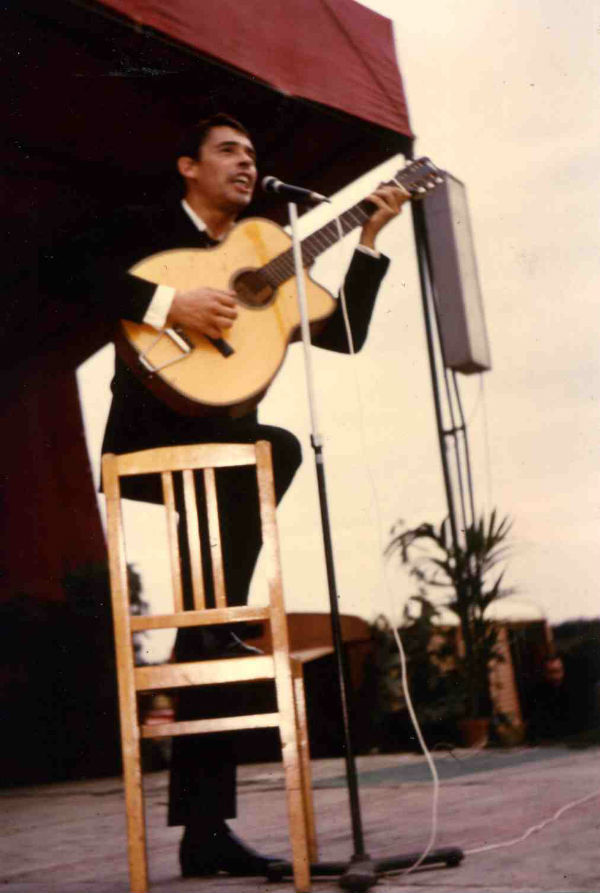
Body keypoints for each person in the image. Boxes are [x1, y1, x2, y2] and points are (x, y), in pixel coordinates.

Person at [55, 113, 409, 876]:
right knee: (270, 450)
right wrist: (167, 307)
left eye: (254, 154)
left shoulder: (266, 247)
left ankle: (205, 832)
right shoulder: (145, 227)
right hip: (152, 440)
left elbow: (344, 330)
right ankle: (222, 623)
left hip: (223, 458)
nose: (247, 163)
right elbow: (73, 272)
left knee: (208, 622)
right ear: (189, 165)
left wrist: (370, 240)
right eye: (229, 152)